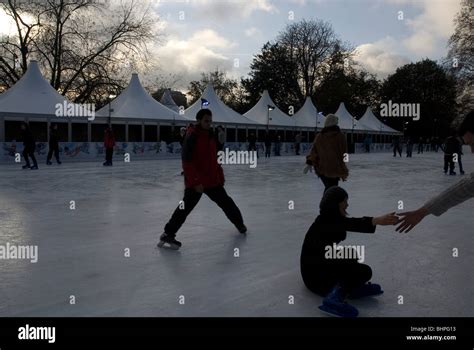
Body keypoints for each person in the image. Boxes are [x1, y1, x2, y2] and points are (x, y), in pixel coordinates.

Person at [300, 186, 398, 317]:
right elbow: (351, 223)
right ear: (335, 203)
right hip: (315, 278)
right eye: (344, 201)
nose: (347, 204)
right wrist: (377, 220)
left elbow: (343, 224)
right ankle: (333, 298)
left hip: (318, 268)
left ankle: (351, 289)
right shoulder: (326, 221)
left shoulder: (327, 218)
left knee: (355, 259)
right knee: (361, 270)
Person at [158, 109, 247, 250]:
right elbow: (187, 162)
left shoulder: (211, 136)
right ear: (198, 120)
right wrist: (195, 181)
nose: (209, 123)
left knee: (227, 203)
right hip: (196, 183)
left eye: (210, 121)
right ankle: (168, 233)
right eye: (206, 121)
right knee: (184, 208)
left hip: (212, 181)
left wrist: (220, 176)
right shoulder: (192, 136)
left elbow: (216, 159)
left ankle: (240, 225)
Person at [396, 111, 474, 233]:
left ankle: (451, 169)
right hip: (449, 155)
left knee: (453, 163)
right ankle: (449, 169)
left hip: (450, 155)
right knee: (450, 164)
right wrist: (422, 212)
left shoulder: (452, 141)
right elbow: (464, 188)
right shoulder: (450, 141)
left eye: (472, 144)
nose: (472, 151)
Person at [305, 114, 348, 192]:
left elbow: (314, 151)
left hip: (322, 168)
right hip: (335, 168)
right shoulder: (341, 136)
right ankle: (326, 203)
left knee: (330, 189)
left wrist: (309, 163)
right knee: (332, 189)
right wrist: (343, 167)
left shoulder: (320, 136)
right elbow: (344, 153)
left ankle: (327, 203)